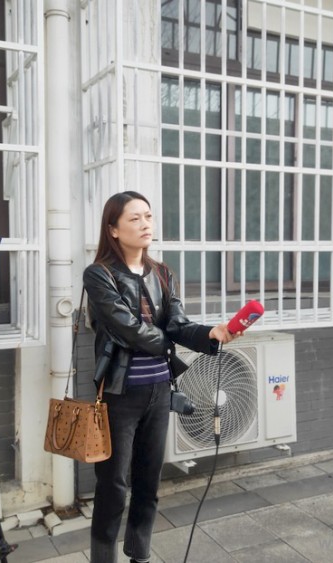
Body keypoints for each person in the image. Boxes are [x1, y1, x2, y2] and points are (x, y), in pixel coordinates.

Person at [83, 191, 238, 563]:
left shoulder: (163, 273)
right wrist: (170, 339)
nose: (145, 224)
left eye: (148, 216)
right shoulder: (99, 274)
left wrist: (210, 333)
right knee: (113, 487)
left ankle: (140, 554)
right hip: (119, 393)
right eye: (134, 218)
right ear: (113, 229)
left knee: (148, 482)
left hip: (159, 390)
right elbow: (128, 329)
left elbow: (178, 324)